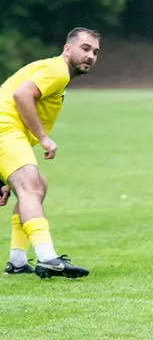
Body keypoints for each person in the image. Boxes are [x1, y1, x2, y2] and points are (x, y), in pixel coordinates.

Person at [1, 27, 99, 279]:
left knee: (36, 186)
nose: (90, 56)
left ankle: (17, 261)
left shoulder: (54, 70)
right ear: (67, 49)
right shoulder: (58, 71)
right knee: (30, 186)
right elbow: (21, 94)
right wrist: (43, 138)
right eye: (85, 48)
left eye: (95, 52)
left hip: (9, 131)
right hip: (5, 128)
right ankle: (47, 258)